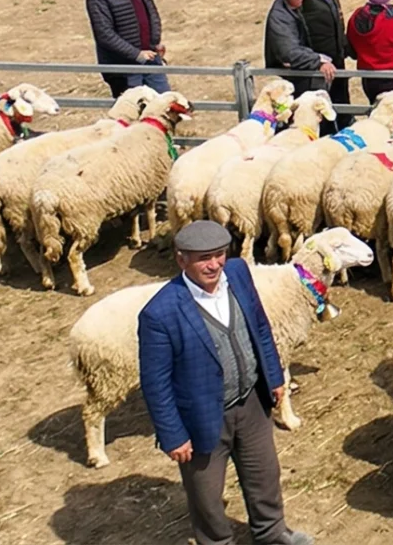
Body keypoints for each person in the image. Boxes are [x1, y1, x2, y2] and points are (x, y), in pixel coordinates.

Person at [137, 220, 313, 545]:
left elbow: (260, 326)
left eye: (218, 254)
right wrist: (173, 435)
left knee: (265, 478)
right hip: (202, 420)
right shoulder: (159, 313)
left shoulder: (239, 275)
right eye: (203, 258)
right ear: (181, 260)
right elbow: (155, 383)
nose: (214, 264)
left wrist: (273, 377)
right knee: (207, 497)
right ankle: (217, 542)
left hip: (251, 403)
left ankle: (272, 534)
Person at [87, 0, 169, 95]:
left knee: (164, 106)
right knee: (131, 112)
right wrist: (136, 54)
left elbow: (151, 12)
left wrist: (154, 42)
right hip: (124, 69)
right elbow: (105, 34)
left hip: (151, 60)